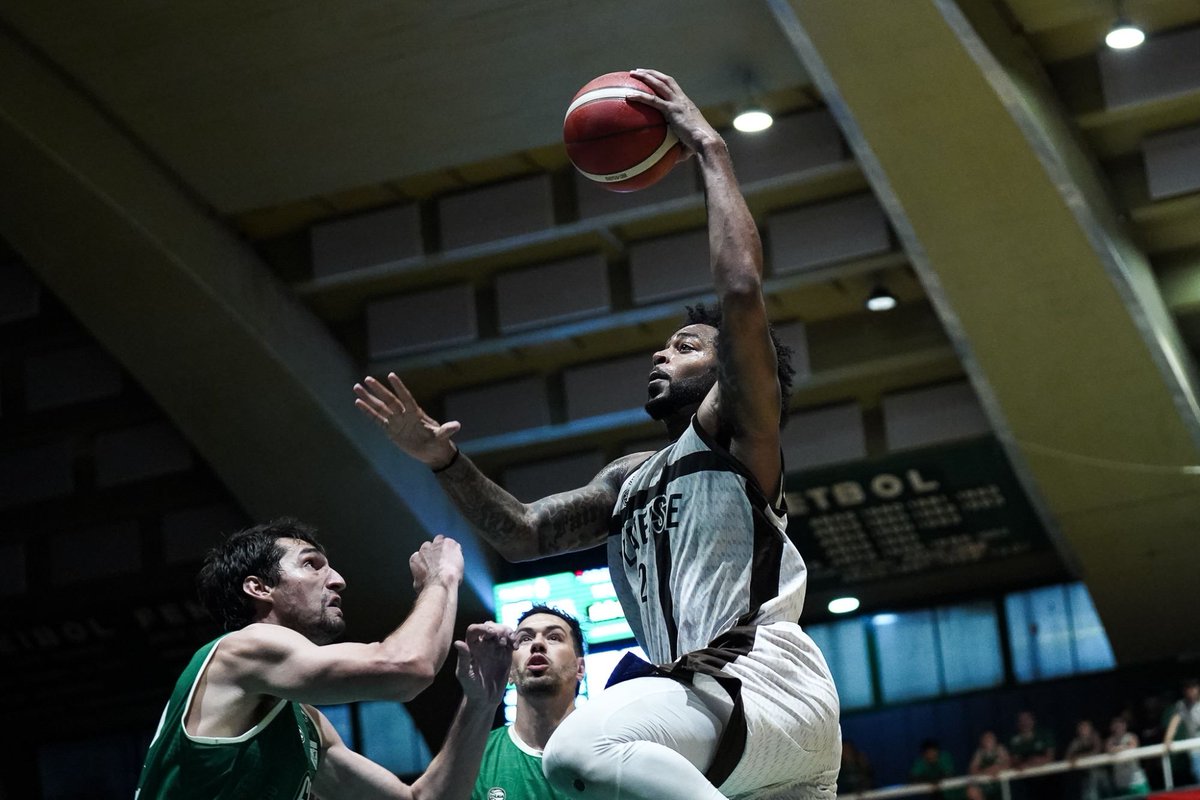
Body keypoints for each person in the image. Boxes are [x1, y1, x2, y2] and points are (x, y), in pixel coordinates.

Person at [354, 67, 840, 800]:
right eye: (664, 345)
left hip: (758, 682)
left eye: (685, 348)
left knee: (583, 745)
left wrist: (709, 148)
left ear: (731, 372)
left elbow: (739, 292)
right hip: (738, 732)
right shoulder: (627, 480)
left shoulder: (738, 434)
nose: (661, 352)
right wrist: (444, 458)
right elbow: (521, 534)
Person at [135, 518, 514, 800]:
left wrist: (481, 704)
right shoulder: (241, 650)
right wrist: (441, 579)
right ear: (259, 587)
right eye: (312, 564)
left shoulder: (306, 724)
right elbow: (407, 667)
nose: (337, 580)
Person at [471, 605, 585, 800]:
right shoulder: (474, 758)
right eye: (524, 639)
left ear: (580, 668)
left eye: (554, 637)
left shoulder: (615, 748)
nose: (537, 644)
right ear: (508, 671)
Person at [1164, 678, 1200, 784]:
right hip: (1196, 750)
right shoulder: (1182, 705)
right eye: (1188, 688)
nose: (1191, 691)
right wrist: (1168, 738)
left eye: (1193, 688)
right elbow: (1175, 721)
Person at [1064, 719, 1109, 800]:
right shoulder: (1077, 742)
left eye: (1085, 727)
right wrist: (1074, 757)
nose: (1083, 730)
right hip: (1087, 776)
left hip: (1101, 771)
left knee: (1108, 792)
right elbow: (1068, 756)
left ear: (1090, 728)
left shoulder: (1095, 737)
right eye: (1081, 728)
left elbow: (1096, 751)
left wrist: (1079, 757)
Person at [1106, 716, 1149, 796]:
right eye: (1116, 725)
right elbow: (1110, 750)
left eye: (1120, 724)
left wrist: (1118, 748)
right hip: (1121, 784)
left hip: (1137, 782)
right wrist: (1124, 747)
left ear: (1125, 725)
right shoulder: (1110, 740)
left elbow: (1132, 746)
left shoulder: (1131, 736)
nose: (1118, 727)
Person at [968, 730, 1010, 800]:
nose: (988, 740)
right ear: (981, 741)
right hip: (986, 785)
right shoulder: (980, 752)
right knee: (972, 790)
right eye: (985, 738)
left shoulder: (1000, 749)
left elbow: (1008, 763)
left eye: (990, 738)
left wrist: (997, 768)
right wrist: (986, 771)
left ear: (995, 739)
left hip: (1000, 784)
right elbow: (972, 769)